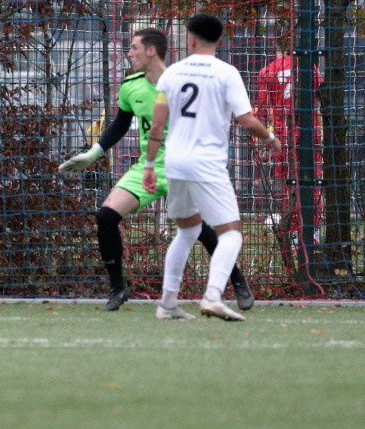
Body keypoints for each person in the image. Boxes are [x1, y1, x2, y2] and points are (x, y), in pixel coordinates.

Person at [59, 28, 253, 311]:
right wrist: (94, 152)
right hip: (148, 167)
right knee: (105, 215)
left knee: (197, 229)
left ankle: (237, 281)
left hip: (181, 165)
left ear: (151, 51)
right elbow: (120, 124)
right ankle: (117, 288)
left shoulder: (181, 82)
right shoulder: (131, 85)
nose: (128, 53)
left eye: (134, 48)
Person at [143, 14, 281, 321]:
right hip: (206, 163)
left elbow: (157, 124)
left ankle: (166, 305)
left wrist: (149, 165)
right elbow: (246, 120)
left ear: (191, 39)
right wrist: (271, 138)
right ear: (219, 40)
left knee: (188, 230)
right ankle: (213, 296)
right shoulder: (226, 73)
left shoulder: (171, 74)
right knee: (232, 233)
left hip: (175, 162)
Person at [256, 39, 324, 264]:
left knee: (288, 187)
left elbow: (263, 108)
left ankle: (295, 236)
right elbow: (320, 95)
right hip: (308, 133)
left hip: (283, 138)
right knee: (312, 184)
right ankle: (313, 236)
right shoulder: (309, 67)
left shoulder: (267, 71)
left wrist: (262, 140)